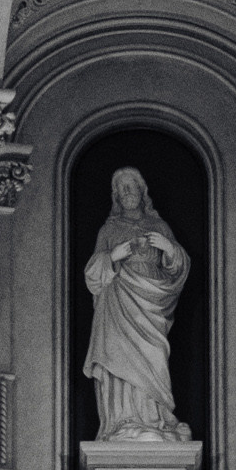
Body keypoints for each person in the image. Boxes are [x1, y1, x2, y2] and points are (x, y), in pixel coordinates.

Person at [83, 166, 191, 441]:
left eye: (132, 186)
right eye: (122, 188)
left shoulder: (159, 227)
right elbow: (92, 277)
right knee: (120, 358)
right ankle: (124, 421)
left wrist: (169, 249)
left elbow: (178, 271)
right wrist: (113, 255)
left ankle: (157, 420)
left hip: (152, 303)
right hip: (119, 304)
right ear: (116, 196)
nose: (128, 192)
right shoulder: (109, 229)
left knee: (153, 355)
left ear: (142, 192)